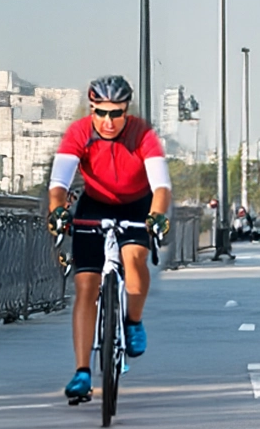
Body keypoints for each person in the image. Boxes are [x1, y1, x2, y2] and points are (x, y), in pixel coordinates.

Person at [47, 75, 172, 402]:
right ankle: (82, 372)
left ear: (126, 111)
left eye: (116, 113)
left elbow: (160, 185)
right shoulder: (78, 133)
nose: (108, 121)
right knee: (86, 286)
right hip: (93, 204)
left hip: (136, 205)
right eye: (101, 112)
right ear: (92, 109)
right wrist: (58, 210)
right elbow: (60, 181)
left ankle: (132, 320)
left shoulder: (142, 134)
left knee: (133, 260)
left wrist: (157, 215)